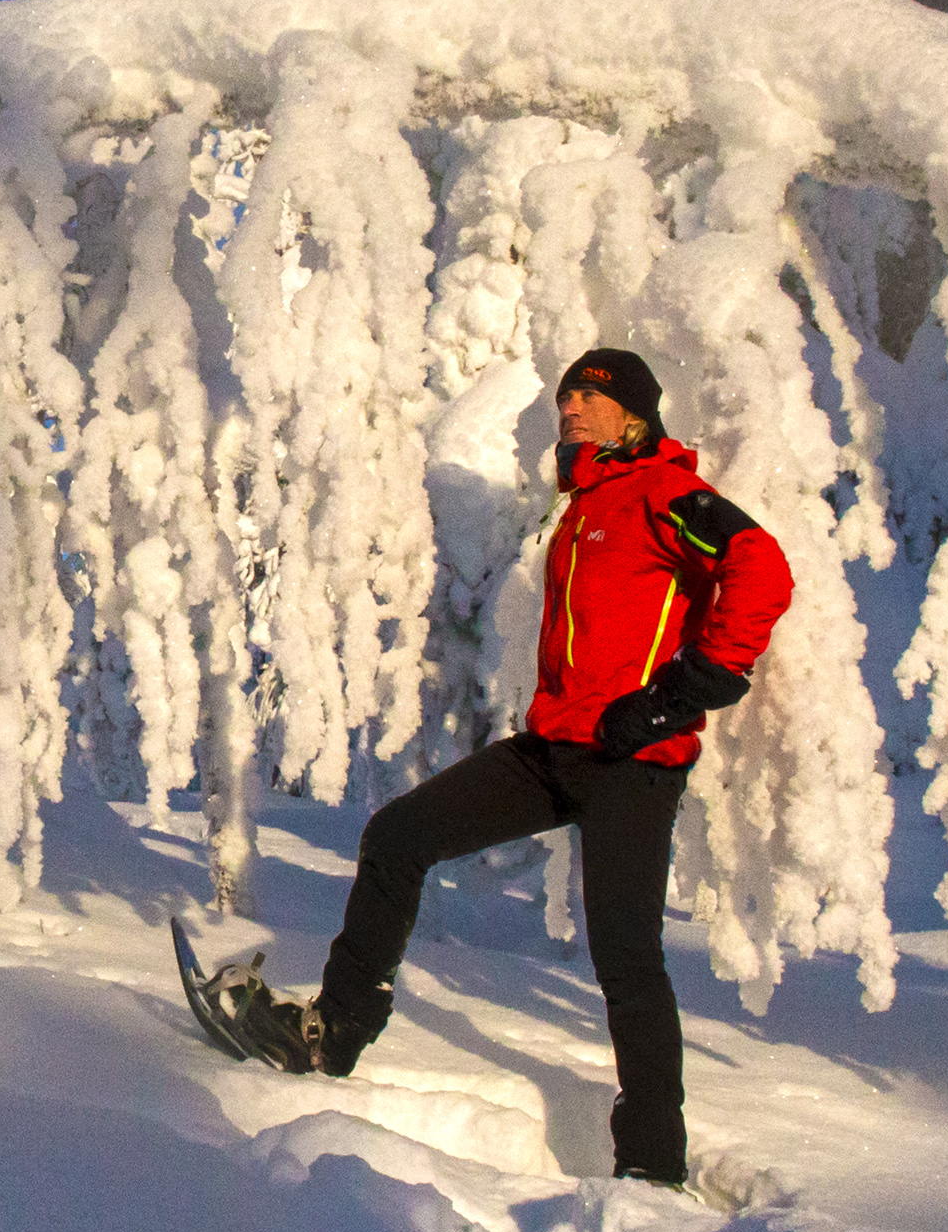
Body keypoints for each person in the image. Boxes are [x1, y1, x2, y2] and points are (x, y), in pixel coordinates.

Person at [219, 347, 792, 1188]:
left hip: (633, 761)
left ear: (633, 414)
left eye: (590, 398)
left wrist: (684, 690)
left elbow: (762, 568)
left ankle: (652, 1166)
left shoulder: (667, 493)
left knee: (627, 960)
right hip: (556, 748)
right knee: (398, 836)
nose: (571, 411)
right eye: (565, 399)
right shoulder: (586, 506)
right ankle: (330, 1035)